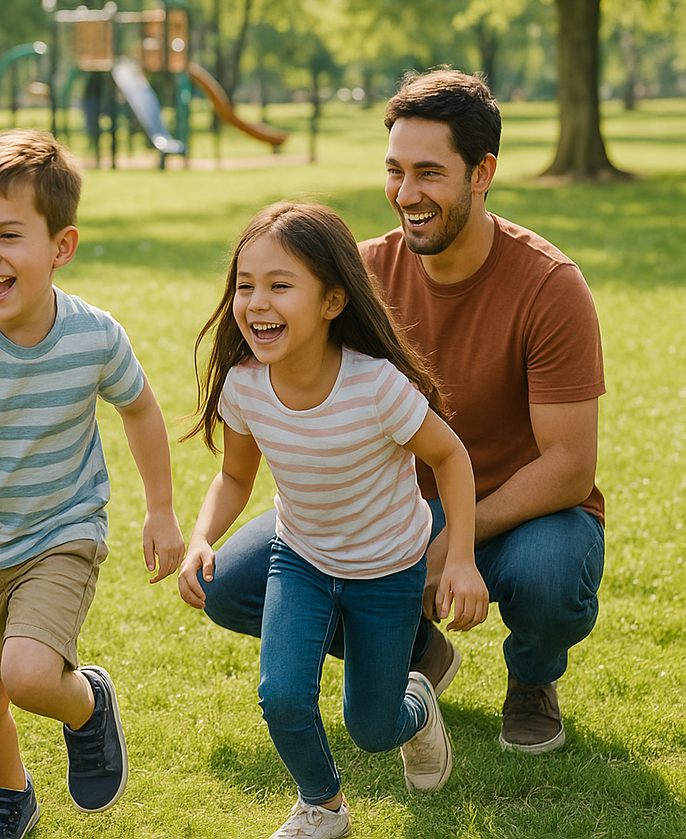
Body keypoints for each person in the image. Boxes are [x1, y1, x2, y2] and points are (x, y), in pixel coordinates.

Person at [198, 69, 606, 756]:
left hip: (523, 514)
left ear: (482, 173)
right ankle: (414, 648)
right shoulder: (358, 278)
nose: (405, 195)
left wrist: (452, 548)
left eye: (428, 173)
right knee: (232, 585)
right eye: (395, 171)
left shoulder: (549, 286)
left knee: (550, 579)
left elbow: (569, 467)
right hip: (379, 508)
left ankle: (532, 678)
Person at [0, 129, 185, 839]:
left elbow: (138, 407)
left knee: (27, 673)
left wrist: (161, 510)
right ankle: (10, 795)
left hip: (61, 532)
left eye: (9, 235)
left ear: (61, 247)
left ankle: (85, 705)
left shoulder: (94, 336)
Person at [177, 202, 488, 839]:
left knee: (372, 727)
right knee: (282, 694)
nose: (256, 302)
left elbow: (450, 457)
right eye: (245, 285)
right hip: (303, 557)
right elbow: (237, 477)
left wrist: (457, 557)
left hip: (389, 569)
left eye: (280, 286)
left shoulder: (375, 387)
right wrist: (202, 536)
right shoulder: (244, 385)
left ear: (332, 302)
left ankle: (416, 706)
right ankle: (323, 804)